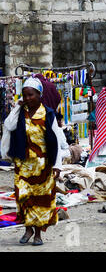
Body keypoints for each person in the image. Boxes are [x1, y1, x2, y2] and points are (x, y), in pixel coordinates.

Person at [1, 77, 62, 246]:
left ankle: (37, 234)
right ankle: (27, 229)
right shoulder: (21, 112)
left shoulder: (48, 114)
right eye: (25, 95)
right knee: (24, 198)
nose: (28, 98)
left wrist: (57, 165)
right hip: (23, 166)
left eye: (31, 95)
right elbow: (8, 125)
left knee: (41, 200)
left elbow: (56, 140)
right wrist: (17, 107)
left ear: (39, 95)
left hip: (43, 166)